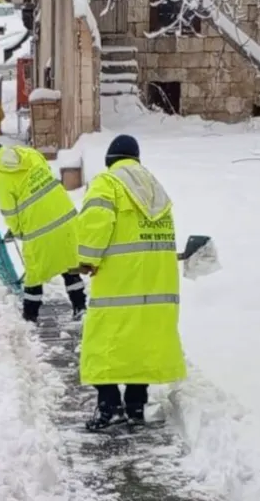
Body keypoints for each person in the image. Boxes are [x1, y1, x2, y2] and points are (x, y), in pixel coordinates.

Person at [75, 134, 187, 429]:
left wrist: (87, 260)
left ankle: (109, 407)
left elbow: (95, 223)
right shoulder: (154, 187)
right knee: (141, 343)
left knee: (103, 344)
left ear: (110, 160)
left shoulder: (108, 183)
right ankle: (136, 406)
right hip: (156, 284)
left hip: (119, 283)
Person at [0, 140, 87, 323]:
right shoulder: (27, 154)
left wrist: (18, 230)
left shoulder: (0, 174)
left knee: (34, 273)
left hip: (39, 227)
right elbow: (46, 173)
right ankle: (80, 307)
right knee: (69, 265)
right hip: (65, 215)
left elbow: (10, 210)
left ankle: (30, 317)